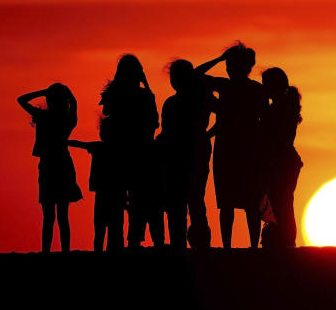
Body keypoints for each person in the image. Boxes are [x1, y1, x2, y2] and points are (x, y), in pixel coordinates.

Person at [197, 43, 266, 249]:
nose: (228, 69)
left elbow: (195, 74)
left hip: (236, 149)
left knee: (238, 202)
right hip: (242, 148)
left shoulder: (228, 87)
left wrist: (218, 59)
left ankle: (234, 247)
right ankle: (248, 247)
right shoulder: (254, 89)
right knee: (239, 202)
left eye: (230, 64)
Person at [100, 54, 163, 248]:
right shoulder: (145, 96)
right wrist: (147, 85)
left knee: (117, 200)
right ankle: (135, 240)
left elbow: (106, 112)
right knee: (141, 199)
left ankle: (117, 242)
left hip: (118, 152)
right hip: (141, 152)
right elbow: (155, 122)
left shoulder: (113, 93)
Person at [17, 83, 82, 253]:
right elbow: (74, 104)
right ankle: (64, 252)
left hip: (49, 166)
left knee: (49, 216)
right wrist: (69, 94)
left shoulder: (43, 116)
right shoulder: (67, 120)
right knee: (62, 216)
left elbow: (21, 100)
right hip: (62, 165)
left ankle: (46, 252)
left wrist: (42, 91)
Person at [158, 59, 213, 249]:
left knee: (181, 202)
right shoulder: (202, 99)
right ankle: (199, 245)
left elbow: (167, 132)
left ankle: (181, 245)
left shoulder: (179, 102)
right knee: (194, 200)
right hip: (193, 150)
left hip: (182, 153)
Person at [259, 67, 303, 249]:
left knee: (282, 203)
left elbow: (274, 137)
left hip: (282, 160)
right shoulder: (284, 105)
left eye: (267, 85)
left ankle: (288, 243)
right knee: (283, 203)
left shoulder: (279, 108)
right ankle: (287, 243)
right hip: (285, 160)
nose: (264, 89)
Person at [69, 118, 123, 252]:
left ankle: (99, 252)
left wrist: (63, 141)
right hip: (115, 192)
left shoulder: (99, 147)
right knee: (112, 227)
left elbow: (79, 144)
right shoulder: (120, 150)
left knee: (100, 227)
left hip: (104, 192)